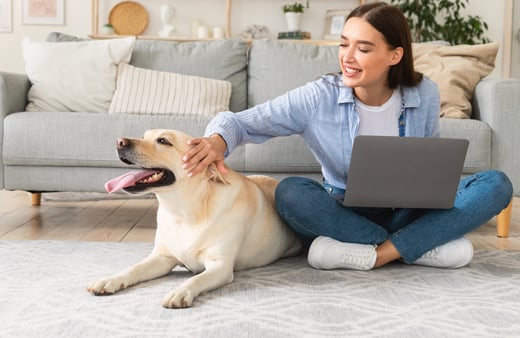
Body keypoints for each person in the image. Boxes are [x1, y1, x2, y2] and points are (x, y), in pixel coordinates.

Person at [181, 2, 513, 271]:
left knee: (497, 185)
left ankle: (376, 254)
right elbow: (240, 123)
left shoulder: (422, 92)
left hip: (408, 208)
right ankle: (417, 245)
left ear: (394, 55)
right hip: (345, 212)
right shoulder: (318, 97)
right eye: (344, 45)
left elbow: (429, 162)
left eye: (363, 48)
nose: (347, 57)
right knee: (291, 192)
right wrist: (216, 140)